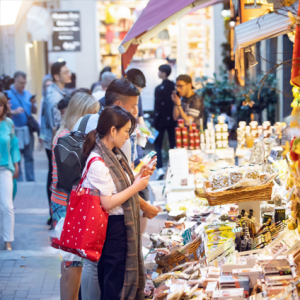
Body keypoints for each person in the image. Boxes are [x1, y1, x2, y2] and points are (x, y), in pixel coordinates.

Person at [82, 105, 149, 300]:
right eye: (126, 131)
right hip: (113, 229)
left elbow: (118, 186)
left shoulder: (114, 155)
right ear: (113, 131)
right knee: (114, 284)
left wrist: (139, 176)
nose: (128, 136)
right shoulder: (98, 161)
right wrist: (136, 187)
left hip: (118, 228)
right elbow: (108, 203)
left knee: (116, 279)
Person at [51, 92, 100, 300]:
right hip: (68, 206)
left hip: (66, 205)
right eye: (93, 115)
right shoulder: (69, 139)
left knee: (72, 264)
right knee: (73, 265)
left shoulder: (65, 135)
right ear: (82, 115)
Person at [40, 61, 71, 227]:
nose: (69, 74)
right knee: (54, 176)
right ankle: (54, 213)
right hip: (54, 142)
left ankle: (53, 212)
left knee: (53, 175)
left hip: (53, 141)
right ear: (56, 76)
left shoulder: (55, 92)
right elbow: (55, 126)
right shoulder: (54, 96)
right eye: (66, 72)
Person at [6, 71, 37, 182]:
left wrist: (34, 103)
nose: (23, 85)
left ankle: (30, 179)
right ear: (15, 80)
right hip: (14, 130)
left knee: (29, 156)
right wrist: (14, 111)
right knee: (16, 157)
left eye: (24, 83)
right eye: (20, 83)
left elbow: (34, 111)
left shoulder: (28, 93)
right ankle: (18, 179)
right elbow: (3, 111)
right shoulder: (7, 94)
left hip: (27, 129)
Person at [0, 92, 21, 250]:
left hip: (5, 170)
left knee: (8, 206)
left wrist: (16, 164)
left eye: (1, 105)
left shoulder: (8, 123)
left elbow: (14, 145)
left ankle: (8, 241)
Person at [153, 64, 177, 179]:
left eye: (159, 71)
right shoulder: (174, 87)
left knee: (158, 143)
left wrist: (154, 121)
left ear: (163, 73)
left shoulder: (158, 89)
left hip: (160, 120)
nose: (158, 73)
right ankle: (173, 166)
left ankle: (160, 168)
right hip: (173, 119)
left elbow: (157, 106)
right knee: (173, 143)